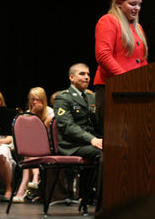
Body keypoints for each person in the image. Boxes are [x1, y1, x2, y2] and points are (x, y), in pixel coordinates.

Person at [93, 0, 148, 131]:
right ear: (119, 2)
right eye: (132, 4)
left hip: (134, 91)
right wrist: (125, 79)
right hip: (112, 89)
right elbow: (103, 56)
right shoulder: (108, 21)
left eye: (139, 4)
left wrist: (149, 80)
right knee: (116, 143)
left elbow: (141, 61)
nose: (137, 8)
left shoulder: (138, 28)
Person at [54, 63, 102, 207]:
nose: (87, 77)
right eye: (82, 74)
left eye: (88, 74)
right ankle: (100, 202)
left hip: (88, 143)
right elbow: (67, 127)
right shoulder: (63, 98)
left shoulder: (91, 98)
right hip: (71, 145)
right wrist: (92, 139)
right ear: (71, 77)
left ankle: (89, 197)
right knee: (103, 154)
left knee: (115, 148)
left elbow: (97, 124)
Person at [12, 87, 54, 202]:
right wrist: (33, 114)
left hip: (48, 146)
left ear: (43, 100)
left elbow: (43, 134)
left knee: (31, 152)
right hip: (31, 148)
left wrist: (35, 117)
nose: (34, 102)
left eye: (37, 99)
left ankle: (24, 185)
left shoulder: (50, 112)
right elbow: (27, 137)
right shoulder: (26, 115)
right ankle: (34, 178)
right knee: (29, 150)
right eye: (32, 99)